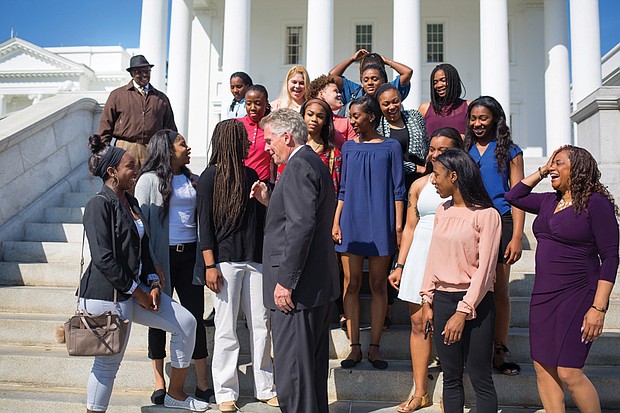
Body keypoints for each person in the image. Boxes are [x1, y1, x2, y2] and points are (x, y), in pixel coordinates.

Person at [80, 135, 208, 412]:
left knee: (186, 323)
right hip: (108, 295)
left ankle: (175, 393)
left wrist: (151, 282)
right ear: (112, 172)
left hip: (135, 292)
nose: (136, 170)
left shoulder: (131, 203)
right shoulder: (98, 204)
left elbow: (144, 248)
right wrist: (136, 290)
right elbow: (103, 258)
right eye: (130, 166)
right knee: (107, 364)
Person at [506, 145, 619, 413]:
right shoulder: (548, 200)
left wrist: (598, 308)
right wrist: (543, 170)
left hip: (579, 294)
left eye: (560, 163)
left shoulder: (596, 203)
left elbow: (611, 258)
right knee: (543, 367)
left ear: (577, 169)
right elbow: (514, 195)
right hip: (544, 295)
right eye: (552, 163)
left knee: (569, 371)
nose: (553, 168)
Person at [250, 108, 339, 413]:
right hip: (312, 288)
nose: (266, 147)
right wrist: (272, 196)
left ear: (286, 137)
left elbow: (301, 226)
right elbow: (300, 215)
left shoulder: (299, 165)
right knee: (309, 378)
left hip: (296, 292)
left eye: (270, 139)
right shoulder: (310, 162)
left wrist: (285, 282)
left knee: (293, 379)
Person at [197, 120, 277, 412]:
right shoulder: (209, 178)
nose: (248, 143)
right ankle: (225, 392)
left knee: (261, 324)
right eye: (242, 139)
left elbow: (261, 221)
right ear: (230, 141)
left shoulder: (252, 174)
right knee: (226, 327)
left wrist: (264, 199)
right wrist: (209, 265)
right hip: (225, 262)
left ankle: (265, 387)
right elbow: (203, 225)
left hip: (254, 260)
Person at [134, 130, 212, 406]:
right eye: (181, 143)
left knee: (195, 317)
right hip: (161, 259)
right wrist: (150, 266)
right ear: (167, 150)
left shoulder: (194, 179)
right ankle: (159, 383)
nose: (188, 147)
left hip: (190, 257)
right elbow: (141, 226)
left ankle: (203, 382)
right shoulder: (148, 180)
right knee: (158, 319)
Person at [388, 127, 464, 412]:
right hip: (420, 254)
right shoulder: (419, 185)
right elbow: (409, 227)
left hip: (450, 257)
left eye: (442, 149)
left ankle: (452, 393)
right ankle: (420, 391)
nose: (434, 154)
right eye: (432, 149)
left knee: (449, 326)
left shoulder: (465, 182)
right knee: (419, 324)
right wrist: (400, 264)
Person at [420, 148, 501, 413]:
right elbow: (434, 256)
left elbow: (486, 269)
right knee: (451, 377)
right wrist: (427, 298)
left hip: (476, 302)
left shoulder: (487, 215)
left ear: (454, 176)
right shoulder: (442, 210)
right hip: (442, 299)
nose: (433, 180)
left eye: (437, 174)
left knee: (480, 376)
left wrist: (463, 311)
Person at [332, 95, 405, 370]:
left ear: (371, 117)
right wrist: (336, 221)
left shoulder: (391, 147)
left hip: (381, 221)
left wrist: (397, 226)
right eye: (350, 115)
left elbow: (399, 190)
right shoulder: (348, 147)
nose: (351, 120)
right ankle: (354, 348)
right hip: (350, 220)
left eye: (356, 115)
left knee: (377, 285)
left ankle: (375, 347)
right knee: (350, 284)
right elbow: (343, 188)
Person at [464, 95, 524, 376]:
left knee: (499, 287)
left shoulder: (510, 151)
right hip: (470, 222)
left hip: (501, 221)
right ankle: (473, 349)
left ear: (495, 119)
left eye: (483, 118)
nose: (477, 123)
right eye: (473, 118)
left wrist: (516, 237)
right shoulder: (464, 148)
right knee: (471, 285)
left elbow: (519, 195)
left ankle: (499, 351)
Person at [98, 55, 177, 168]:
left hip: (153, 150)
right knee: (126, 184)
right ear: (132, 74)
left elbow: (170, 129)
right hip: (124, 149)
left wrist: (172, 153)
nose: (145, 75)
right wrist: (103, 154)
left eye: (147, 71)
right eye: (139, 72)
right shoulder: (117, 95)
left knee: (152, 184)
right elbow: (105, 126)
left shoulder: (161, 98)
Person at [376, 83, 429, 190]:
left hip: (421, 180)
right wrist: (416, 168)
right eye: (386, 104)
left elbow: (426, 142)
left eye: (395, 101)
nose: (392, 107)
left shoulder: (414, 116)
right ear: (379, 106)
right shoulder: (377, 127)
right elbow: (386, 161)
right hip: (394, 183)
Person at [329, 49, 412, 105]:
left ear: (383, 79)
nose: (370, 83)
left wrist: (387, 61)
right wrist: (353, 59)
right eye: (366, 79)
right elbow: (333, 75)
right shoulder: (354, 92)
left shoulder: (391, 90)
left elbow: (407, 72)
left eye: (375, 79)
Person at [300, 98, 342, 192]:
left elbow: (336, 189)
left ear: (326, 121)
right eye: (310, 114)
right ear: (303, 116)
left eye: (320, 116)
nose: (314, 119)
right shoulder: (292, 148)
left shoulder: (333, 154)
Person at [418, 63, 469, 137]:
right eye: (435, 82)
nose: (439, 85)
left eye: (443, 80)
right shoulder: (424, 109)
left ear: (453, 81)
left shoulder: (468, 106)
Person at [307, 75, 357, 143]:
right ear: (322, 95)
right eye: (335, 91)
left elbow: (352, 148)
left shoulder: (346, 123)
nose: (339, 95)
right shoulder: (306, 120)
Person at [239, 85, 273, 183]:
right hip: (241, 183)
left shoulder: (272, 127)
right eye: (248, 104)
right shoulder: (237, 125)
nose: (252, 108)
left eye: (257, 103)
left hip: (263, 183)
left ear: (266, 103)